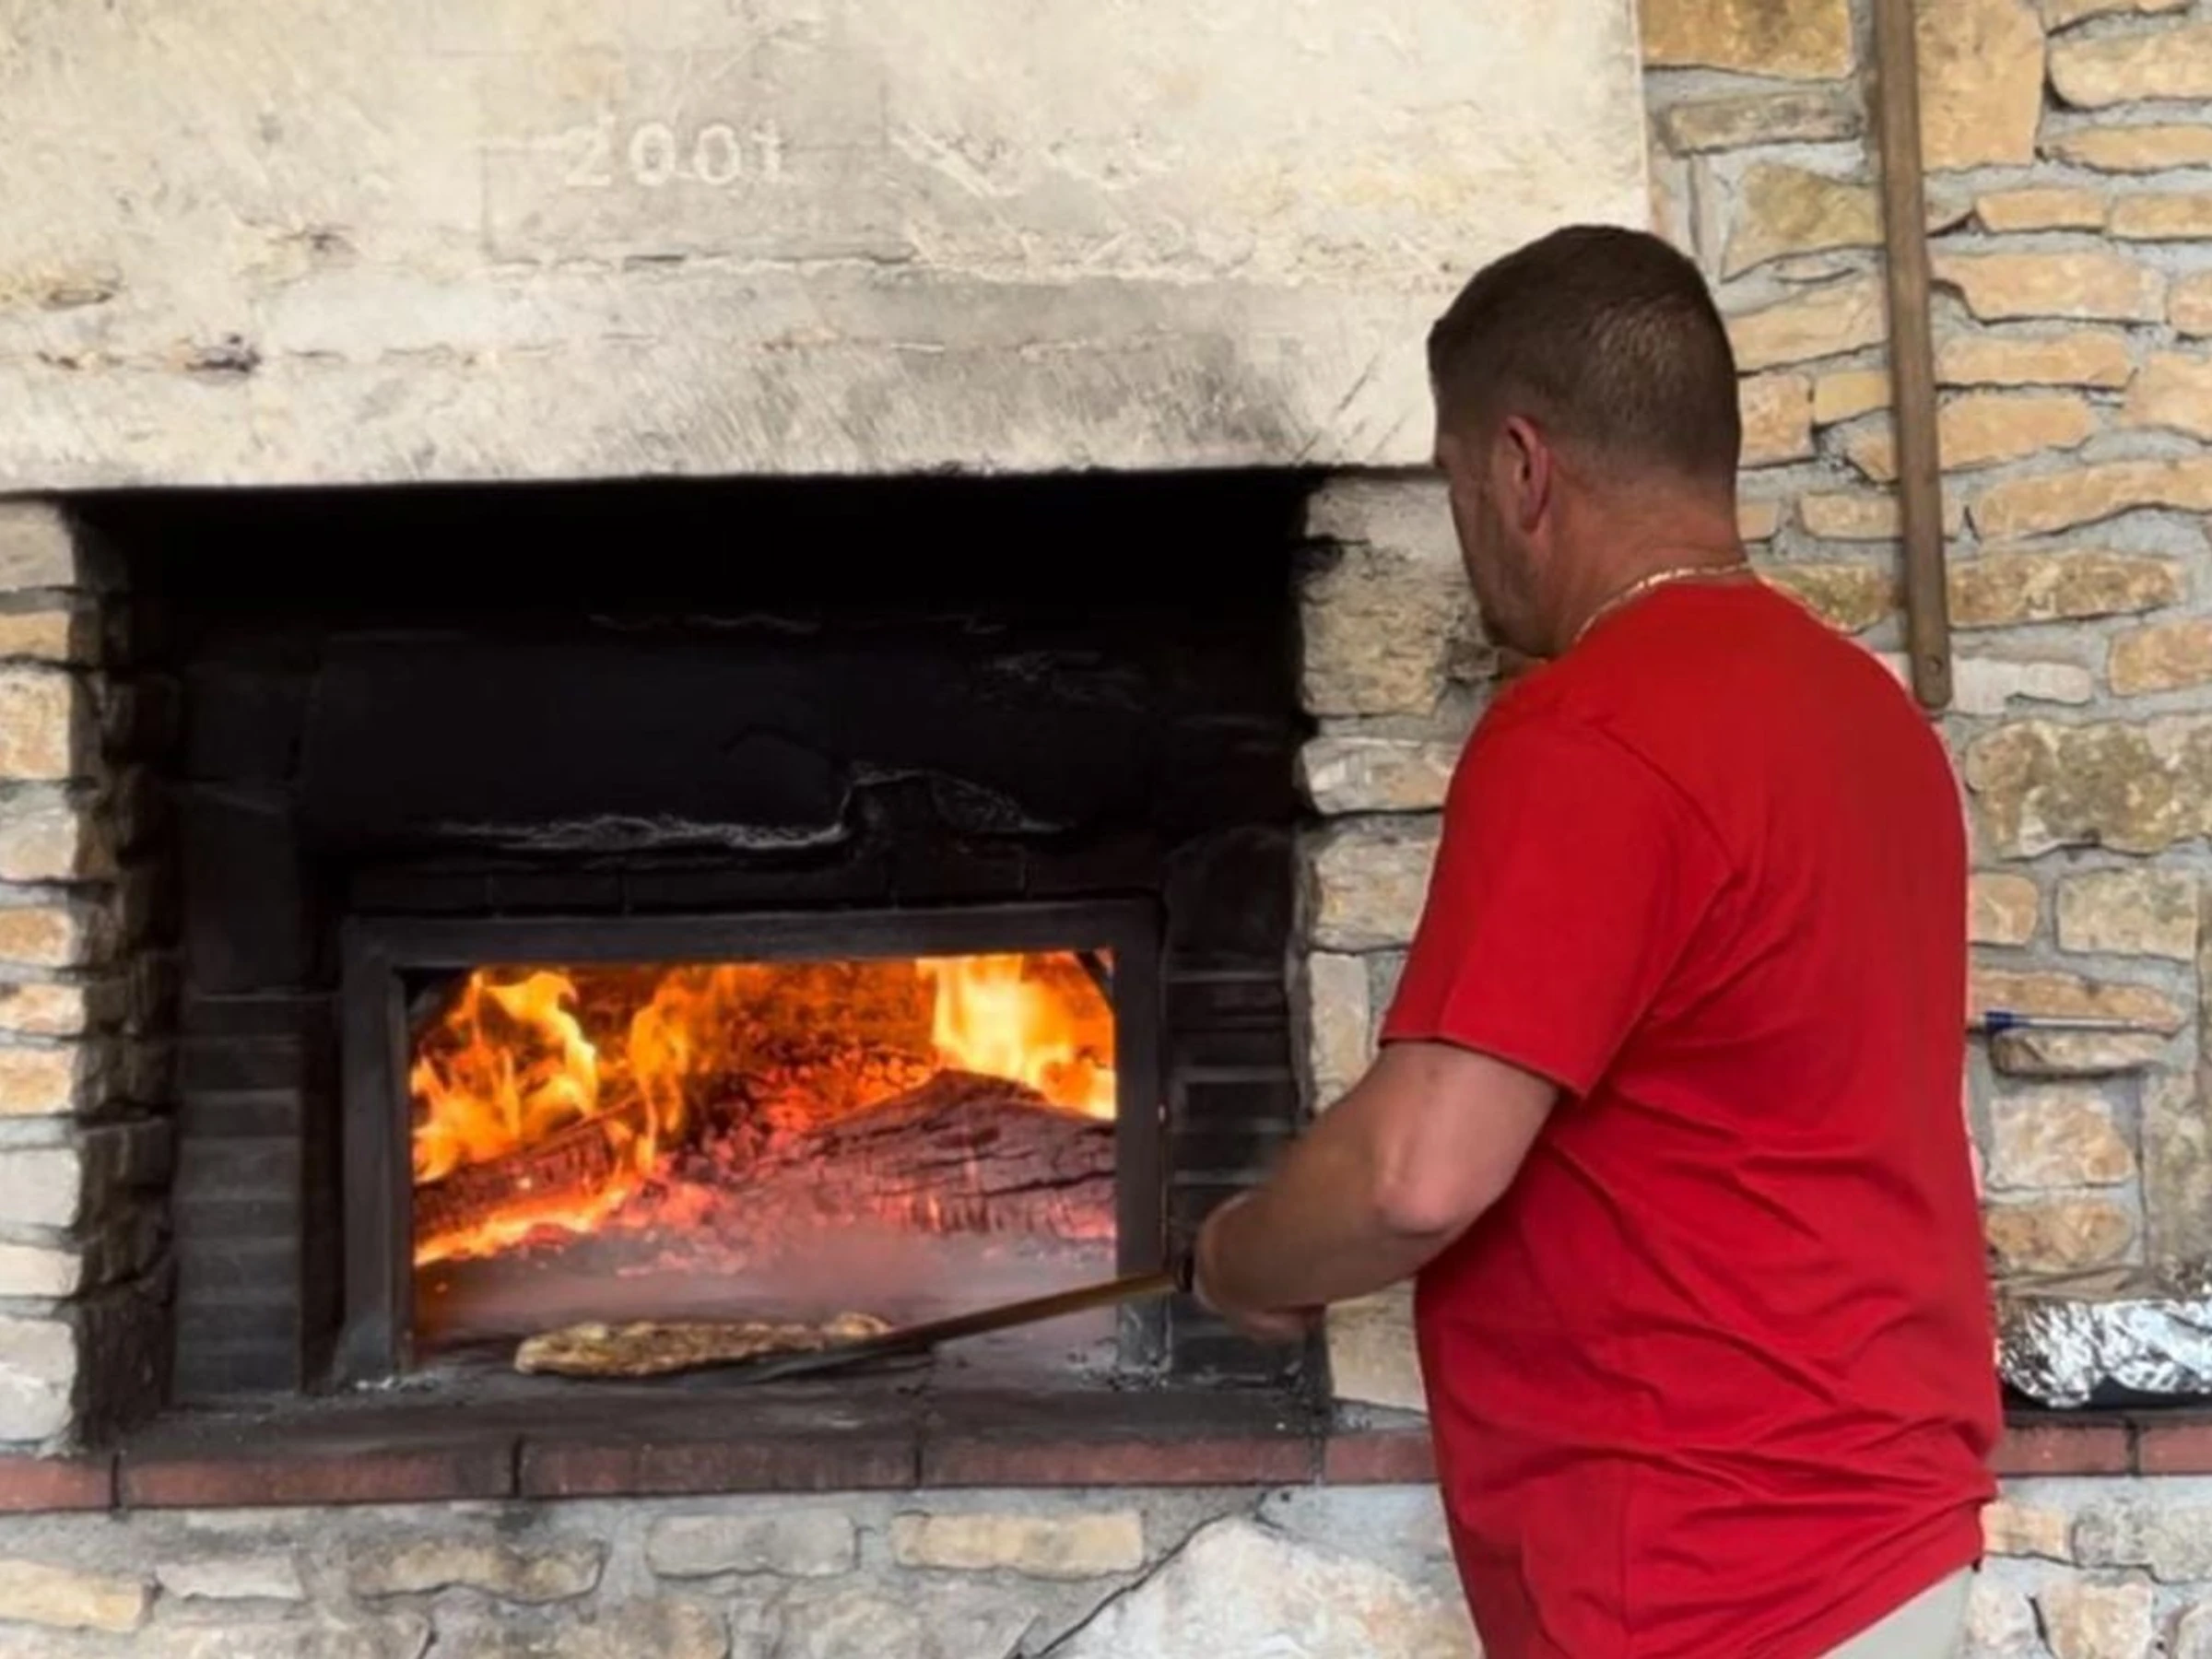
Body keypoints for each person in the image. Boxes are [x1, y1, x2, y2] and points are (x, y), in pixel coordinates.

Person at [1193, 224, 1999, 1658]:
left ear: (1521, 467)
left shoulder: (1591, 735)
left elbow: (1414, 1177)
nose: (1467, 534)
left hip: (1704, 1581)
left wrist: (1244, 1258)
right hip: (1886, 1543)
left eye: (1454, 482)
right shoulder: (1869, 718)